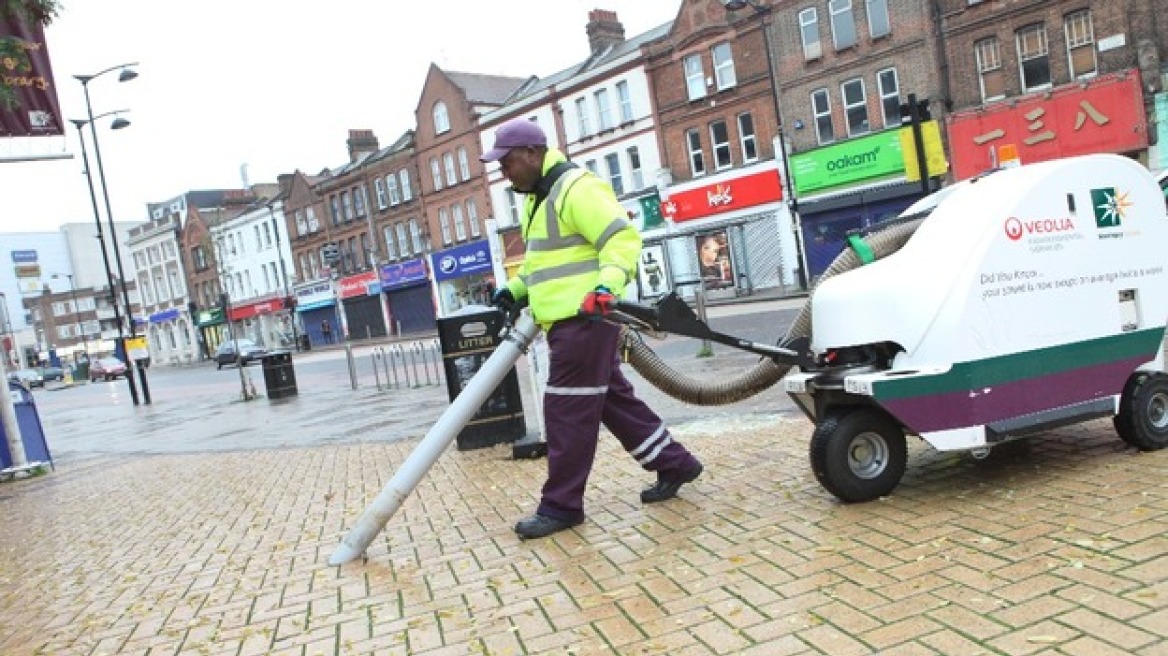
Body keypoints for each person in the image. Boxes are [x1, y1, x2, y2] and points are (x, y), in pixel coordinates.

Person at [482, 118, 703, 540]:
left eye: (507, 162)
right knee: (611, 403)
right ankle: (675, 463)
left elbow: (621, 240)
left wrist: (607, 286)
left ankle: (561, 506)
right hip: (567, 322)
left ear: (532, 153)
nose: (503, 172)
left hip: (583, 320)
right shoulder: (537, 198)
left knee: (565, 413)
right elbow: (544, 264)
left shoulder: (576, 188)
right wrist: (515, 289)